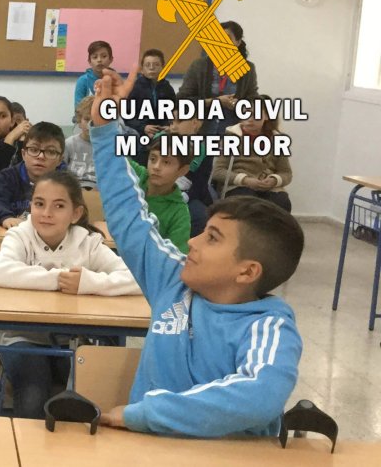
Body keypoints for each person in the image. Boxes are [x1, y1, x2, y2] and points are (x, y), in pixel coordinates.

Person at [89, 68, 303, 437]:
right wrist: (106, 128)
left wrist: (149, 413)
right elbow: (128, 215)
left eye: (213, 238)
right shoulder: (172, 280)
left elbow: (259, 396)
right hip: (147, 454)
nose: (192, 242)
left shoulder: (268, 326)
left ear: (247, 271)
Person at [0, 171, 140, 419]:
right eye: (39, 204)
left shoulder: (88, 242)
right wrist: (59, 279)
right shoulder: (20, 235)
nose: (46, 213)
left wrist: (88, 283)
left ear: (76, 214)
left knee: (88, 393)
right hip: (21, 337)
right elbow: (0, 271)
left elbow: (135, 278)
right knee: (34, 394)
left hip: (72, 339)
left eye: (58, 206)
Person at [212, 96, 293, 212]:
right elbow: (218, 171)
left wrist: (274, 180)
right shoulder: (232, 136)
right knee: (248, 204)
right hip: (238, 185)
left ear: (267, 116)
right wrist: (245, 180)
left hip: (268, 186)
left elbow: (286, 172)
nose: (250, 119)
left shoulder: (276, 139)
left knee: (281, 203)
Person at [178, 20, 258, 133]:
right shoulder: (199, 66)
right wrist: (214, 101)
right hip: (201, 131)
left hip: (233, 133)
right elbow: (182, 100)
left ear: (238, 42)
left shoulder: (247, 69)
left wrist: (240, 105)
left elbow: (253, 100)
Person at [0, 122, 66, 228]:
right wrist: (6, 217)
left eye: (51, 152)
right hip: (13, 232)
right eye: (34, 150)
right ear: (23, 154)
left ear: (60, 160)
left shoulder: (66, 184)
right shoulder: (8, 177)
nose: (41, 156)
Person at [129, 136, 193, 251]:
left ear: (183, 170)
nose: (156, 167)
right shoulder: (135, 174)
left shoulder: (180, 213)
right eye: (153, 159)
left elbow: (177, 256)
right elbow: (112, 156)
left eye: (166, 162)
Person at [125, 49, 177, 137]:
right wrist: (143, 127)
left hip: (162, 132)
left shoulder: (168, 88)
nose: (152, 68)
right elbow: (127, 116)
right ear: (142, 69)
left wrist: (170, 126)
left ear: (163, 67)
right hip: (139, 132)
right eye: (147, 65)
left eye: (156, 64)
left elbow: (173, 112)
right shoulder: (134, 88)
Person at [63, 96, 96, 189]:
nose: (90, 125)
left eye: (95, 120)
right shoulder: (69, 144)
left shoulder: (110, 146)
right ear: (79, 121)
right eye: (86, 119)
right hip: (73, 190)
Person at [74, 40, 113, 107]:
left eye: (104, 56)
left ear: (111, 59)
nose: (99, 60)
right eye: (95, 57)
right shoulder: (83, 81)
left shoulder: (116, 80)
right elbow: (78, 108)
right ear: (89, 61)